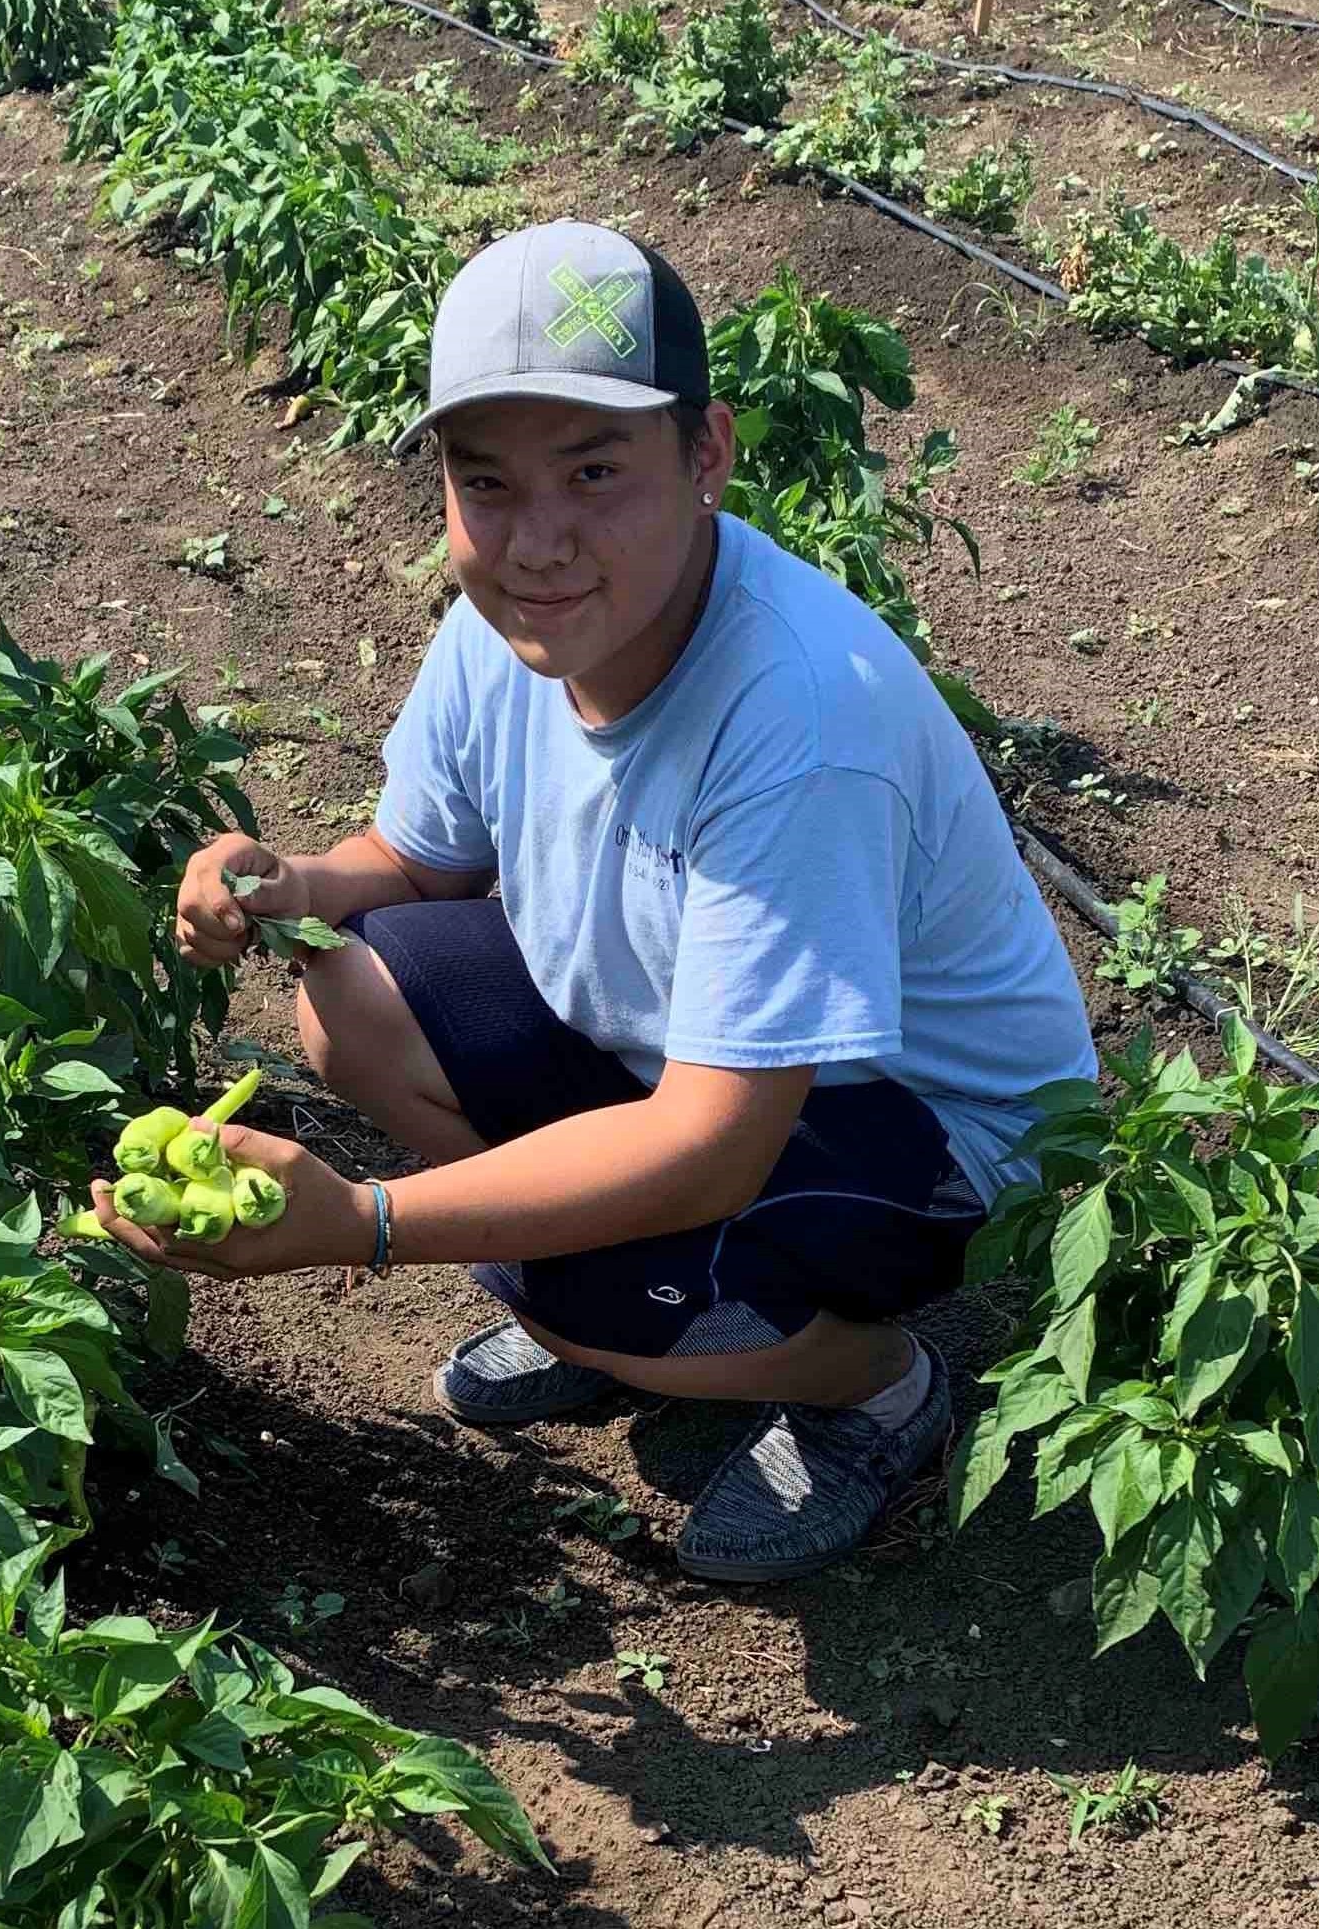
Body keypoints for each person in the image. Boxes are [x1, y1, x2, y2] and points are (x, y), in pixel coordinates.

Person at [92, 220, 1096, 1582]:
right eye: (486, 482)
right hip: (681, 1051)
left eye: (595, 471)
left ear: (707, 459)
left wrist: (370, 1223)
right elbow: (421, 862)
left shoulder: (796, 713)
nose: (537, 540)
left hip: (920, 1128)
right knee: (348, 997)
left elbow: (710, 1148)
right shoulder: (502, 628)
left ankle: (871, 1384)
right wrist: (287, 881)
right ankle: (637, 1314)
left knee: (588, 1292)